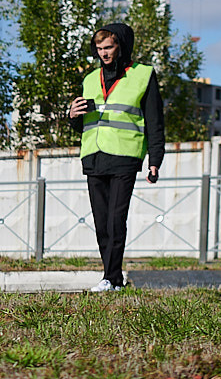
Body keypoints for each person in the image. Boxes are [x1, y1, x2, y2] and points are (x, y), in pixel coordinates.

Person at [66, 21, 163, 292]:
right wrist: (72, 115)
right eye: (99, 48)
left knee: (115, 220)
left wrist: (155, 161)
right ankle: (111, 277)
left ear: (120, 46)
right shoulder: (89, 79)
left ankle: (112, 278)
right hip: (94, 157)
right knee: (101, 224)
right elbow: (82, 122)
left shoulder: (143, 75)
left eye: (108, 47)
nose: (104, 53)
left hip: (124, 156)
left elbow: (155, 122)